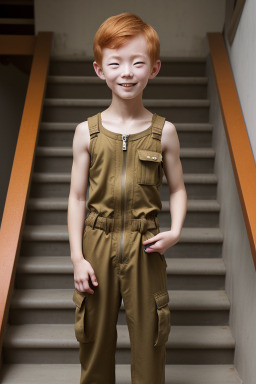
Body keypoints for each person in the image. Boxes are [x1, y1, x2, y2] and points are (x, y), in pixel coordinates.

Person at [67, 12, 187, 384]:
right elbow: (75, 197)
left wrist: (176, 231)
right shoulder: (85, 133)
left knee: (150, 344)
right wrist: (77, 257)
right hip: (96, 243)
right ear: (100, 69)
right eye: (115, 63)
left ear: (154, 68)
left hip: (145, 247)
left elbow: (179, 189)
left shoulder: (164, 132)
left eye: (138, 62)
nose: (127, 72)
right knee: (95, 342)